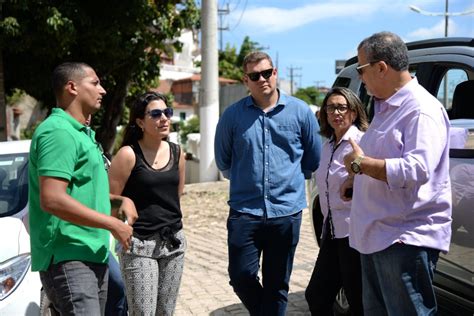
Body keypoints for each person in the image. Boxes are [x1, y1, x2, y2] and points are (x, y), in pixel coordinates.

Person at [342, 31, 452, 315]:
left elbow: (417, 169)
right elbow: (376, 161)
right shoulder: (386, 107)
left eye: (361, 70)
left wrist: (361, 164)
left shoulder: (420, 110)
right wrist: (356, 176)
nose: (361, 78)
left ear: (381, 68)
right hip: (379, 236)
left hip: (403, 240)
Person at [214, 51, 322, 315]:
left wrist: (290, 183)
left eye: (267, 72)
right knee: (240, 276)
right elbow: (223, 161)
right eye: (254, 76)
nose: (262, 79)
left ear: (275, 73)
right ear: (246, 80)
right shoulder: (232, 116)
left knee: (277, 285)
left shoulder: (300, 112)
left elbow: (312, 157)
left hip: (286, 212)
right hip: (244, 211)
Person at [28, 62, 137, 315]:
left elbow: (82, 195)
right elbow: (52, 199)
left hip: (91, 253)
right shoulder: (58, 132)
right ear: (72, 87)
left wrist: (117, 202)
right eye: (95, 82)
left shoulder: (81, 134)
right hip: (69, 256)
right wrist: (112, 224)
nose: (103, 90)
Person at [108, 91, 186, 315]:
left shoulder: (177, 152)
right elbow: (110, 200)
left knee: (165, 312)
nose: (164, 118)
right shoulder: (127, 155)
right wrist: (121, 233)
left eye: (167, 112)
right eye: (156, 113)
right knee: (143, 312)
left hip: (174, 243)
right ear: (140, 121)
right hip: (139, 246)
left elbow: (177, 194)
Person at [305, 87, 368, 316]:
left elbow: (374, 179)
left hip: (355, 233)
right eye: (331, 107)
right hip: (331, 231)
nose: (336, 112)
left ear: (353, 111)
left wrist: (354, 176)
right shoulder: (327, 146)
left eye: (342, 107)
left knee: (357, 300)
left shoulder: (361, 141)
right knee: (316, 295)